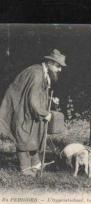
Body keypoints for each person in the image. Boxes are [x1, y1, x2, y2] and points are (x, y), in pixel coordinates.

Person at [0, 49, 66, 177]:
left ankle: (35, 164)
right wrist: (45, 114)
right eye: (58, 66)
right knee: (24, 136)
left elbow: (37, 94)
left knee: (36, 133)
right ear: (50, 62)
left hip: (28, 107)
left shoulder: (42, 71)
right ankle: (25, 169)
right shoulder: (37, 75)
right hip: (20, 107)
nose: (60, 70)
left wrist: (49, 100)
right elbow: (33, 99)